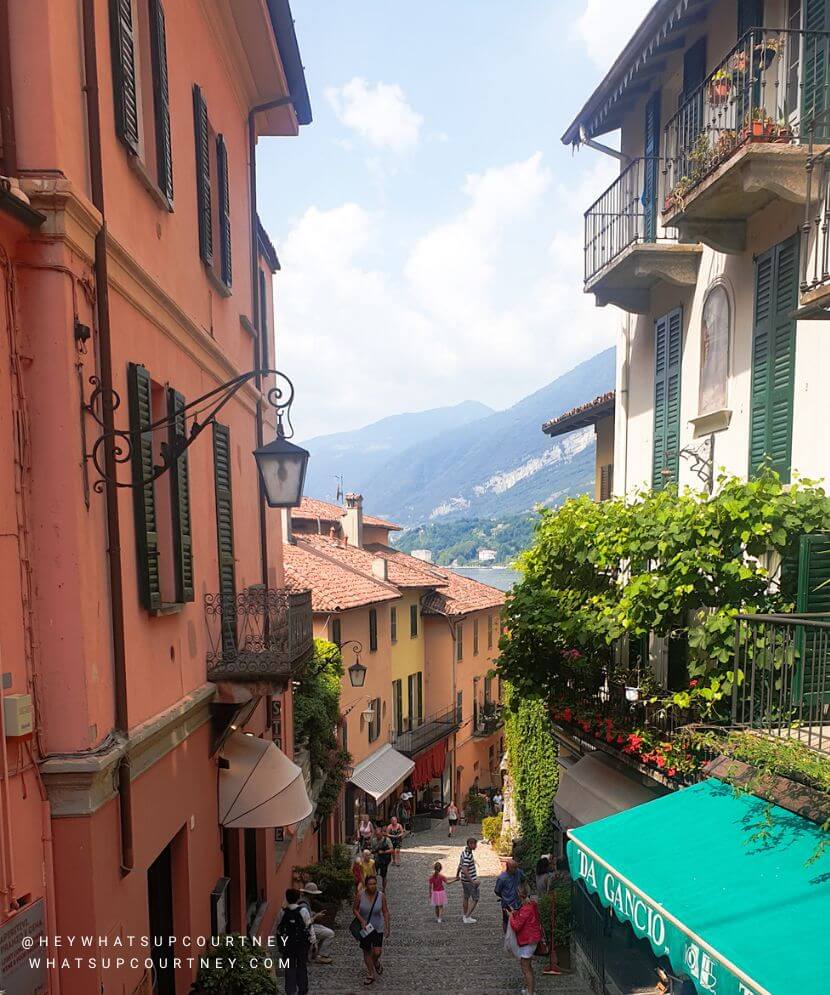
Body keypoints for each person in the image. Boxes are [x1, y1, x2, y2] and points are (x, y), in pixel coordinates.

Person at [352, 874, 390, 987]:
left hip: (378, 927)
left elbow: (385, 911)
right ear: (366, 885)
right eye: (370, 884)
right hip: (365, 928)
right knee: (367, 950)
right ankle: (370, 973)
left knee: (377, 952)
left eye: (374, 884)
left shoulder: (381, 896)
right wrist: (362, 920)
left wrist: (387, 926)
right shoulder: (360, 895)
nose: (373, 886)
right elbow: (354, 909)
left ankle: (375, 962)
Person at [508, 884, 543, 995]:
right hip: (532, 939)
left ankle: (530, 992)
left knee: (526, 967)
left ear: (519, 894)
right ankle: (529, 989)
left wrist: (510, 916)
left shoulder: (526, 909)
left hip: (528, 940)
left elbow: (517, 926)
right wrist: (515, 913)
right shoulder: (531, 905)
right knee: (527, 966)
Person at [276, 888, 312, 995]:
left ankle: (290, 990)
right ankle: (302, 989)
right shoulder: (303, 911)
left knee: (289, 968)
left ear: (286, 898)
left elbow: (278, 929)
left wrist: (280, 944)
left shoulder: (282, 912)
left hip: (288, 945)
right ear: (298, 898)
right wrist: (313, 942)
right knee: (302, 966)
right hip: (301, 944)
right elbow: (309, 927)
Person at [299, 882, 334, 965]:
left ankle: (318, 953)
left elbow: (308, 914)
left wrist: (314, 914)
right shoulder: (304, 905)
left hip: (308, 926)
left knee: (327, 931)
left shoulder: (304, 901)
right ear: (311, 895)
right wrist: (316, 917)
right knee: (330, 933)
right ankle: (321, 955)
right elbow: (306, 922)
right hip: (307, 928)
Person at [494, 858, 526, 933]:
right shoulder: (502, 878)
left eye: (516, 867)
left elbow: (524, 880)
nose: (515, 869)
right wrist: (504, 897)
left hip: (519, 901)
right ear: (508, 868)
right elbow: (497, 891)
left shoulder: (519, 872)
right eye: (514, 868)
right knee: (506, 920)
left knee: (520, 920)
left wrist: (523, 891)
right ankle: (507, 935)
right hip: (507, 903)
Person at [455, 837, 480, 924]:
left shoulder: (464, 852)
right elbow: (465, 870)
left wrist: (457, 875)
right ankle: (467, 916)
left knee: (466, 897)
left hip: (464, 880)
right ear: (470, 844)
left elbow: (460, 865)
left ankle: (465, 915)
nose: (476, 846)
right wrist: (473, 882)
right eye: (475, 844)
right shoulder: (468, 855)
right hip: (469, 881)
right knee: (475, 898)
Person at [371, 825, 393, 892]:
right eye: (376, 834)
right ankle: (373, 887)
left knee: (383, 875)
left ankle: (383, 889)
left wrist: (383, 852)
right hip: (376, 860)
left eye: (378, 834)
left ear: (381, 833)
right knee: (374, 874)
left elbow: (392, 850)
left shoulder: (387, 840)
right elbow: (373, 849)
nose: (377, 836)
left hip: (384, 860)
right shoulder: (374, 841)